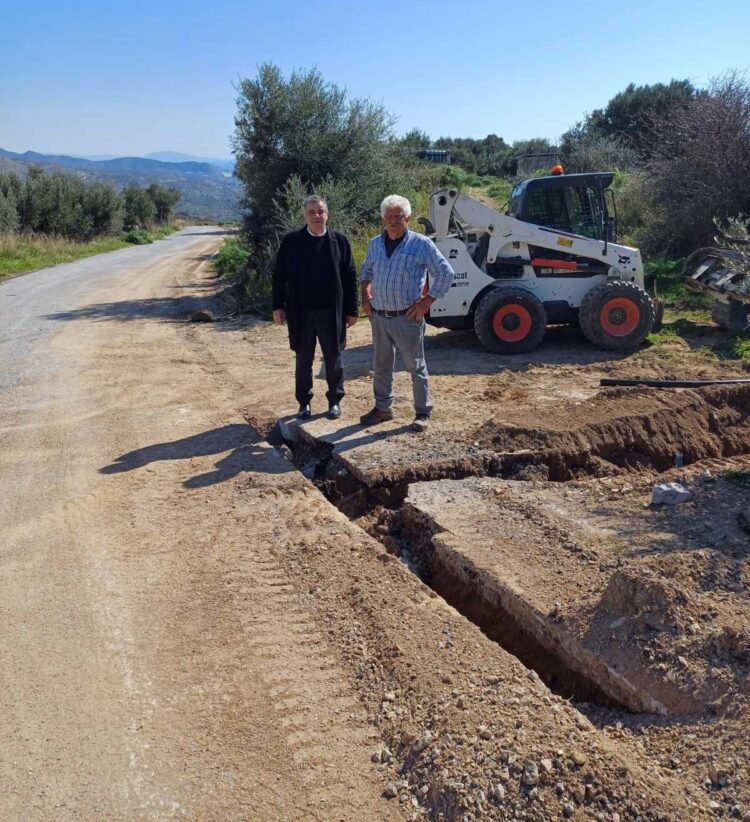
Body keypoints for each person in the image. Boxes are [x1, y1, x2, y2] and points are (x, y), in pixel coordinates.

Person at [359, 194, 454, 433]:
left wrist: (426, 302)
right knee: (381, 366)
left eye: (398, 216)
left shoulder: (421, 244)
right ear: (383, 218)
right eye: (389, 216)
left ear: (408, 219)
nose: (393, 220)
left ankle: (422, 412)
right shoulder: (374, 244)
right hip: (379, 317)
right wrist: (365, 296)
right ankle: (383, 409)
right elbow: (366, 272)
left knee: (415, 367)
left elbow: (446, 272)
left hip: (407, 318)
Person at [272, 195, 358, 420]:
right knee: (303, 359)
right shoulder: (292, 242)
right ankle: (304, 403)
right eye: (312, 212)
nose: (316, 216)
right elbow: (279, 277)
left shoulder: (339, 241)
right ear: (305, 216)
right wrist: (277, 306)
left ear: (327, 214)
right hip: (301, 313)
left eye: (320, 212)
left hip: (332, 313)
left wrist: (352, 309)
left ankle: (334, 402)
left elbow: (350, 277)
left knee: (334, 359)